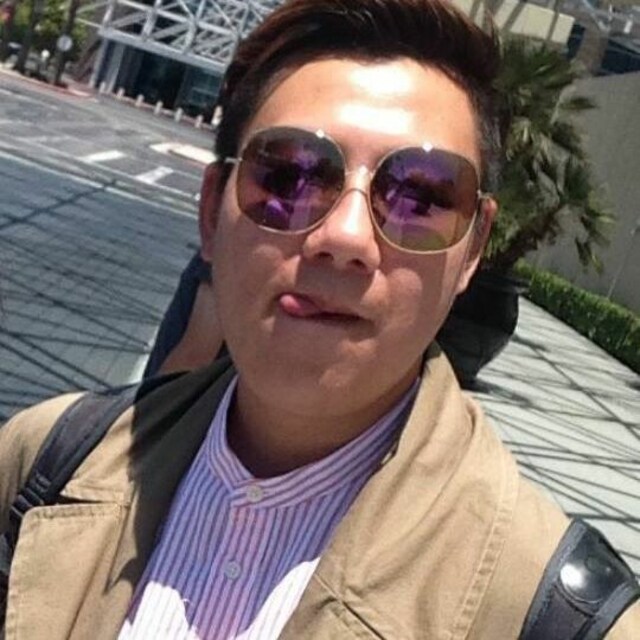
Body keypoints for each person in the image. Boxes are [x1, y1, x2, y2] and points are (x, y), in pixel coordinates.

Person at [0, 1, 638, 638]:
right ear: (212, 211)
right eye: (289, 177)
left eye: (420, 197)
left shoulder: (562, 617)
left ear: (473, 248)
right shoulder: (44, 462)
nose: (346, 236)